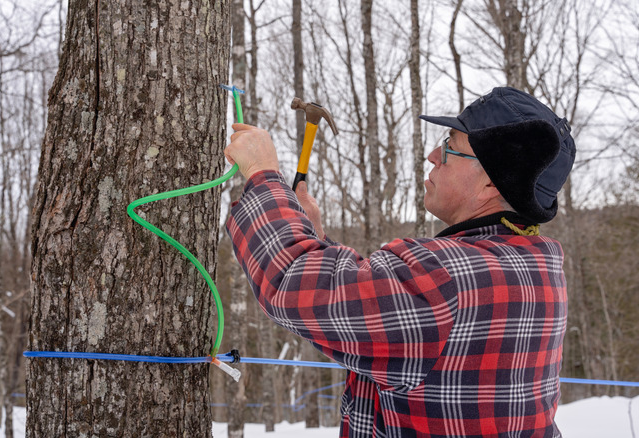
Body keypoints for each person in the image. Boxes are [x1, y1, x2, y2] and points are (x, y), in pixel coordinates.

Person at [224, 86, 576, 438]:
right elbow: (388, 316)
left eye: (451, 146)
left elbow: (294, 282)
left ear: (489, 183)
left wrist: (261, 173)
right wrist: (314, 240)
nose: (433, 155)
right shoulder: (538, 266)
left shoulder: (446, 279)